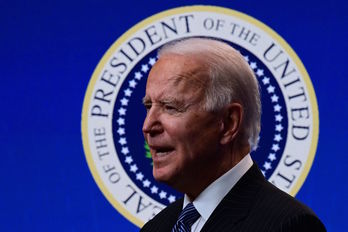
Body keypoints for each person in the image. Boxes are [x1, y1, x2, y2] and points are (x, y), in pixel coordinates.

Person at [140, 38, 325, 232]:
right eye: (148, 106)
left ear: (229, 123)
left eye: (170, 107)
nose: (147, 126)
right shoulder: (156, 228)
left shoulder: (288, 225)